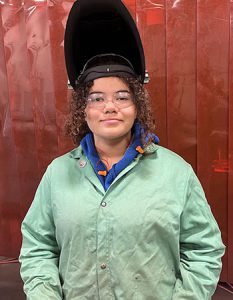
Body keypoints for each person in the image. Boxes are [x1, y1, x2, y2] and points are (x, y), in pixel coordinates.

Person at [19, 1, 225, 300]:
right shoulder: (58, 174)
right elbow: (38, 247)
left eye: (122, 96)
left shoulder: (175, 172)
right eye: (97, 98)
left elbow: (204, 249)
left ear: (136, 106)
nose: (110, 107)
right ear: (83, 110)